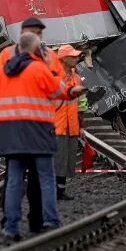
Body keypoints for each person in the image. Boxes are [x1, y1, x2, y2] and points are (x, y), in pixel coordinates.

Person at [0, 32, 84, 241]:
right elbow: (61, 91)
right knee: (46, 178)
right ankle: (51, 221)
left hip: (10, 135)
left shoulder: (3, 72)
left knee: (14, 181)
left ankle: (11, 228)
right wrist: (75, 90)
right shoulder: (40, 69)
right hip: (38, 134)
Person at [0, 17, 48, 232]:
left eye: (39, 33)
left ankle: (34, 221)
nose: (36, 37)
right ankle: (12, 221)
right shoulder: (7, 55)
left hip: (35, 127)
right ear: (23, 33)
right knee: (15, 177)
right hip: (19, 127)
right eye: (33, 32)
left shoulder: (44, 57)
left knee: (32, 179)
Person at [54, 44, 85, 201]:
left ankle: (60, 190)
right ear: (63, 59)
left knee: (67, 160)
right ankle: (52, 190)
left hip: (71, 126)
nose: (76, 58)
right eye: (73, 56)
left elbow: (81, 104)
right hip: (56, 126)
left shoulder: (77, 78)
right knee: (57, 159)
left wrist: (81, 126)